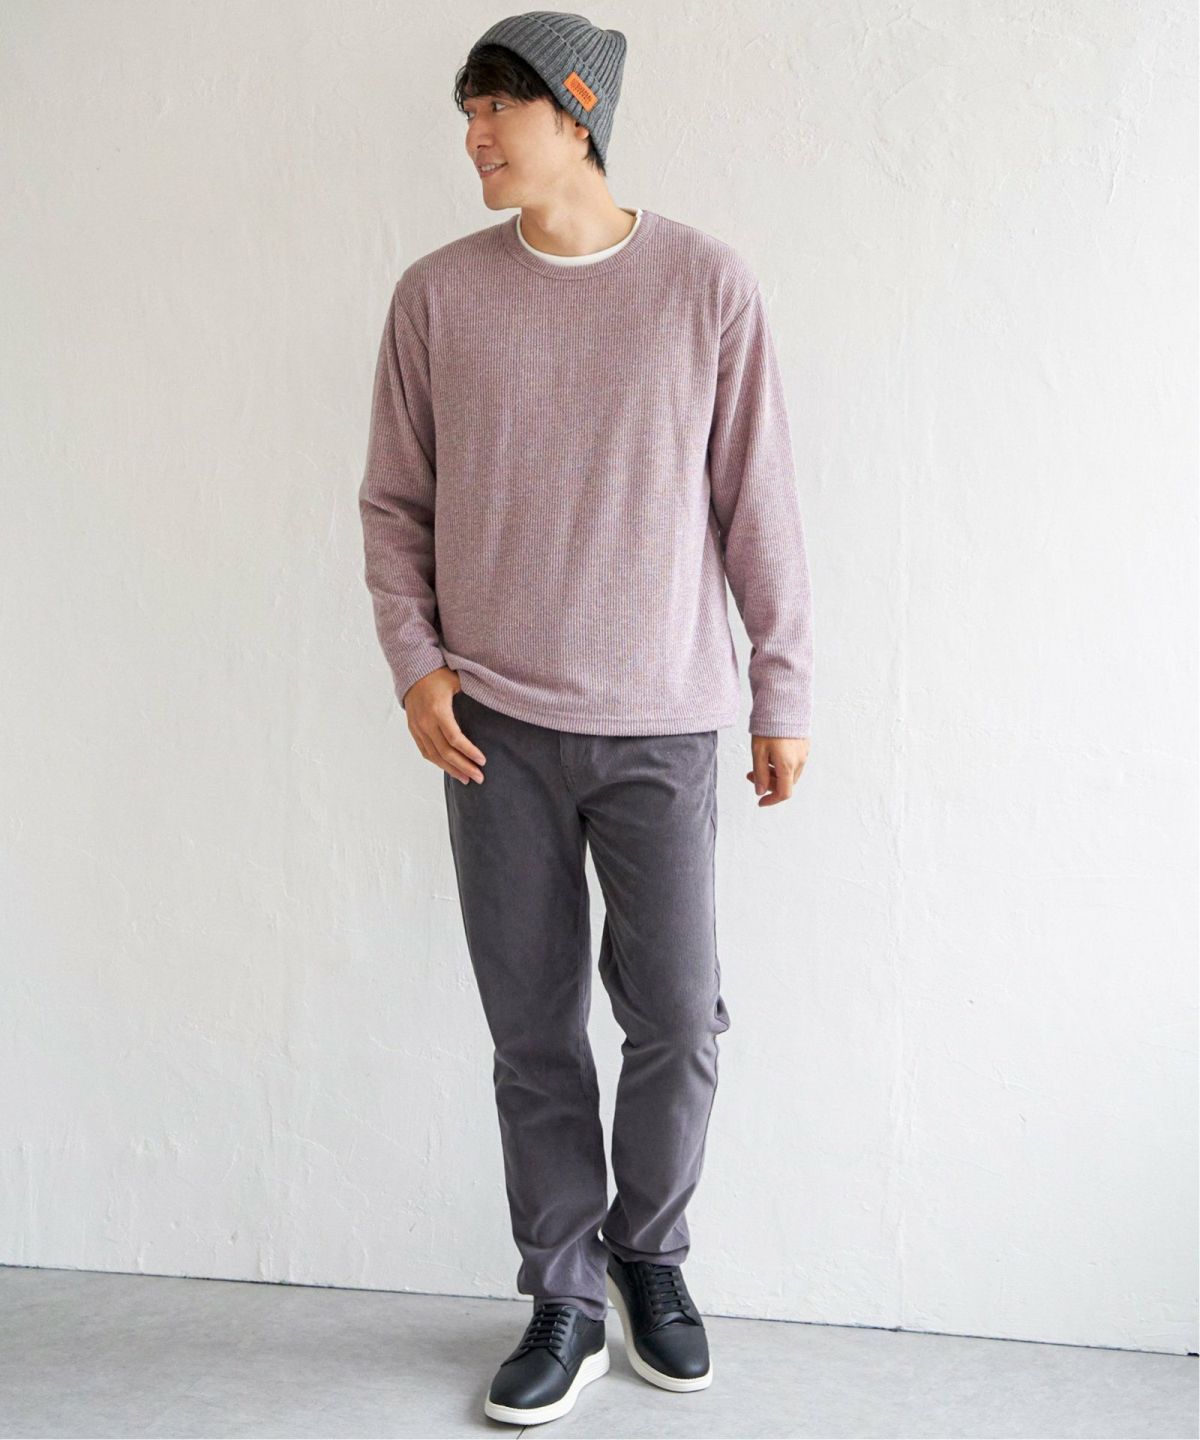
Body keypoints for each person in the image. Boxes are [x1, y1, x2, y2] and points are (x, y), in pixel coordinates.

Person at [357, 10, 815, 1427]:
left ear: (576, 114)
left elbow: (758, 501)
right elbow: (394, 506)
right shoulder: (438, 296)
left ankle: (646, 1258)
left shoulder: (705, 284)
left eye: (496, 108)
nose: (475, 137)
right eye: (465, 114)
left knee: (677, 1015)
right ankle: (560, 1290)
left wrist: (783, 686)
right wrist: (417, 666)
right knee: (533, 1025)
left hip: (665, 719)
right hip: (491, 727)